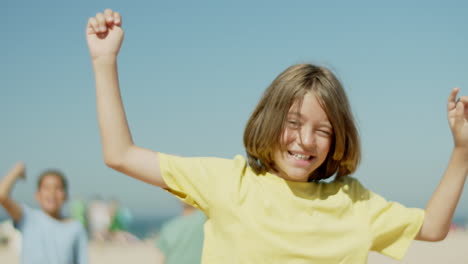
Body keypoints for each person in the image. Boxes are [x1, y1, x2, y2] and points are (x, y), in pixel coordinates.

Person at [85, 9, 468, 263]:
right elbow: (119, 154)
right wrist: (104, 62)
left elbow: (433, 228)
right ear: (268, 119)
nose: (305, 141)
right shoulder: (228, 182)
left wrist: (462, 148)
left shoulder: (354, 202)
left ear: (338, 142)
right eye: (294, 122)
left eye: (323, 131)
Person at [0, 162, 88, 264]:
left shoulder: (75, 227)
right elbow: (2, 196)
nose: (52, 192)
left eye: (58, 188)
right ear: (37, 195)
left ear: (66, 195)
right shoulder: (28, 218)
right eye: (46, 188)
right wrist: (17, 170)